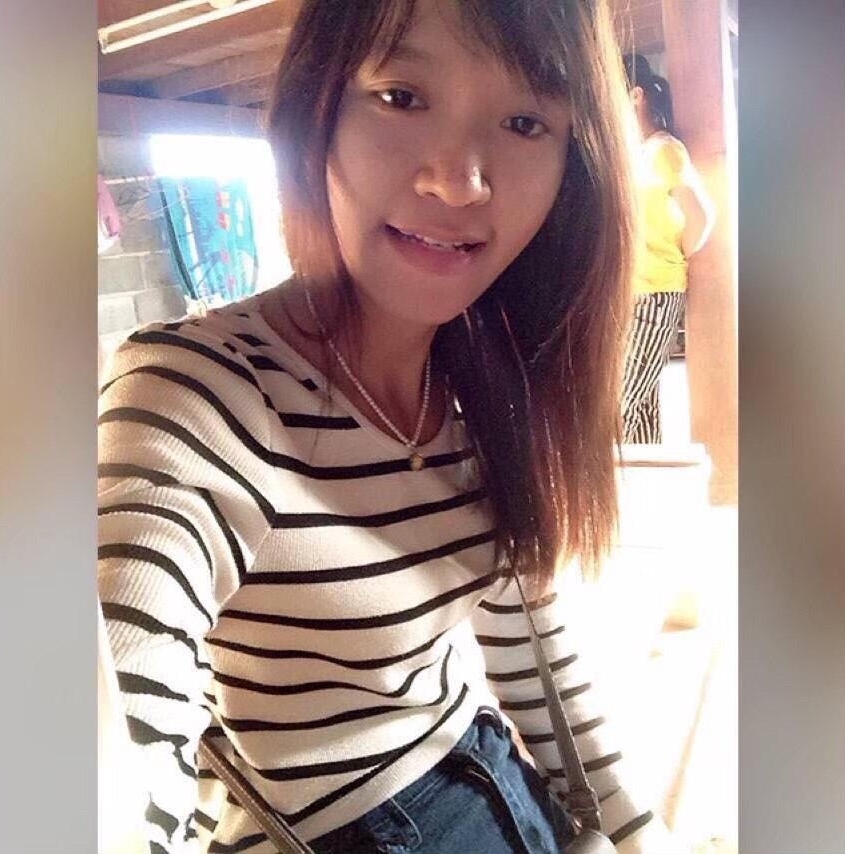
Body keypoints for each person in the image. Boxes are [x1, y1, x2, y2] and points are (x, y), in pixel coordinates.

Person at [98, 3, 680, 852]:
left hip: (494, 779)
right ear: (317, 111)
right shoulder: (201, 392)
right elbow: (124, 729)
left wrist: (633, 829)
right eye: (402, 96)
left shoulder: (482, 377)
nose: (459, 181)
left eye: (525, 122)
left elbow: (531, 642)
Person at [620, 53, 716, 444]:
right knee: (640, 409)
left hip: (654, 293)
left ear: (635, 96)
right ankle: (644, 476)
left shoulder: (664, 150)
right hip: (635, 294)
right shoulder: (637, 154)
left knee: (615, 407)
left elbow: (702, 216)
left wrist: (672, 259)